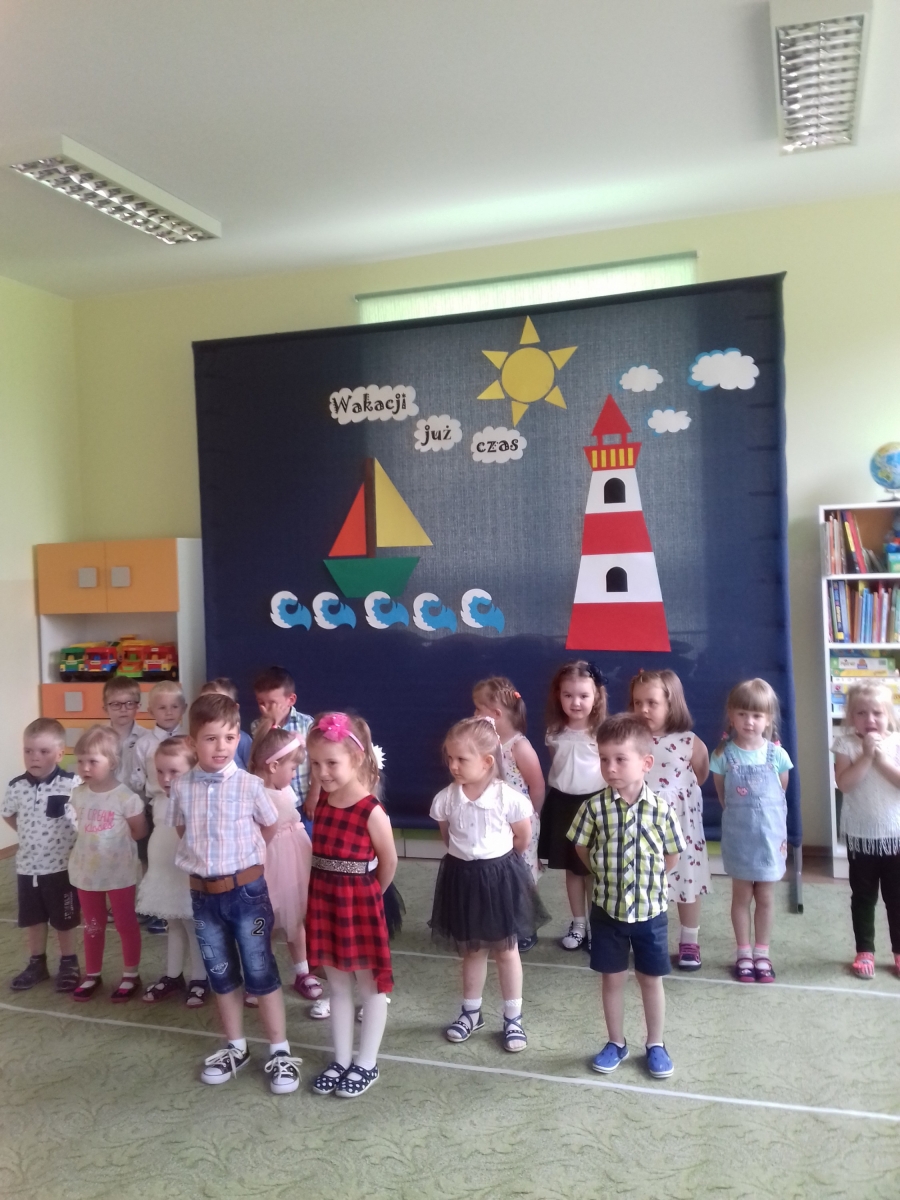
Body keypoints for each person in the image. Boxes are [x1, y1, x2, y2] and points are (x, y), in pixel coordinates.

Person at [167, 691, 302, 1094]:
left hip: (247, 895)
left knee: (260, 969)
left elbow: (269, 824)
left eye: (229, 737)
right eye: (210, 738)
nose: (221, 746)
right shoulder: (181, 787)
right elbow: (182, 829)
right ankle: (235, 1046)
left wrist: (246, 860)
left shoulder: (249, 785)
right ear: (193, 742)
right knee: (221, 972)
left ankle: (279, 1049)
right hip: (204, 898)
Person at [567, 712, 685, 1079]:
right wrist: (602, 872)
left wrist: (651, 880)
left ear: (646, 763)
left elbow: (671, 855)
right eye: (604, 759)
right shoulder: (594, 808)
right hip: (608, 911)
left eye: (620, 759)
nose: (610, 767)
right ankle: (616, 1042)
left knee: (651, 979)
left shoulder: (662, 810)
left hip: (651, 912)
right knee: (612, 979)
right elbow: (582, 848)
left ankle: (656, 1043)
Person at [430, 716, 548, 1054]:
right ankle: (471, 1011)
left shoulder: (508, 798)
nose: (453, 765)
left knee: (506, 949)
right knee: (472, 949)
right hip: (463, 878)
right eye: (450, 758)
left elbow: (522, 837)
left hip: (500, 877)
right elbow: (448, 837)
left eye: (461, 759)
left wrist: (498, 864)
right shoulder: (446, 799)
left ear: (486, 762)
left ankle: (513, 1016)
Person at [305, 712, 397, 1098]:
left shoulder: (371, 810)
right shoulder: (324, 804)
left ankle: (366, 1063)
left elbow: (388, 861)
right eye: (315, 764)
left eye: (331, 763)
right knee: (338, 986)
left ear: (356, 759)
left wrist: (369, 896)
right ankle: (342, 1059)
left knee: (370, 986)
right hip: (326, 903)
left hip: (359, 906)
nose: (322, 772)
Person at [710, 679, 792, 984]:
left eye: (757, 715)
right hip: (740, 839)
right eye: (742, 714)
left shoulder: (777, 756)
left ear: (768, 719)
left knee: (766, 896)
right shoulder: (723, 755)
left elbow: (780, 793)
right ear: (731, 716)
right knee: (742, 895)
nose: (749, 721)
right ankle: (743, 952)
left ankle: (762, 952)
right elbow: (723, 796)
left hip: (769, 840)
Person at [628, 669, 711, 971]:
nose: (643, 709)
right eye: (637, 703)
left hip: (680, 827)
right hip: (641, 825)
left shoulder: (689, 741)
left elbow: (700, 775)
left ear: (671, 704)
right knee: (643, 881)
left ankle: (689, 940)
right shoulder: (631, 739)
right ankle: (648, 938)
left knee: (685, 881)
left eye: (652, 703)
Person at [68, 725, 147, 1002]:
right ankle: (92, 973)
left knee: (125, 924)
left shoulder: (126, 798)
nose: (84, 767)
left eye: (93, 761)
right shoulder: (78, 794)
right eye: (80, 761)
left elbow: (139, 831)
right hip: (87, 874)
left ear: (112, 762)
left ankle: (130, 974)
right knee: (92, 925)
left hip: (118, 874)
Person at [2, 718, 81, 992]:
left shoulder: (72, 784)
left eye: (44, 751)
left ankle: (69, 962)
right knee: (33, 918)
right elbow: (8, 814)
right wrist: (27, 833)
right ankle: (37, 963)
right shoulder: (16, 786)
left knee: (64, 919)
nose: (34, 757)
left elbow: (83, 816)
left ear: (59, 754)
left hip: (61, 868)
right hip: (27, 868)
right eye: (28, 751)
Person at [247, 719, 320, 1001]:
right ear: (273, 766)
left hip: (294, 858)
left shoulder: (282, 789)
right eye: (292, 769)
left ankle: (303, 971)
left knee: (295, 919)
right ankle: (259, 978)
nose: (293, 775)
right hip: (269, 862)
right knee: (263, 924)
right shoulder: (255, 792)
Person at [473, 676, 545, 953]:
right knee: (500, 873)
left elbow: (537, 786)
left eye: (478, 709)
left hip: (520, 823)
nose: (474, 714)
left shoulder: (518, 746)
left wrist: (531, 817)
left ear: (496, 714)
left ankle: (527, 926)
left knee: (522, 875)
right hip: (494, 823)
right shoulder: (483, 744)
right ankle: (503, 922)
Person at [833, 682, 900, 979]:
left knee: (897, 897)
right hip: (861, 838)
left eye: (877, 713)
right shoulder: (845, 744)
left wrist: (880, 758)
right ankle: (865, 951)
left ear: (889, 715)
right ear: (851, 716)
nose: (870, 719)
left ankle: (898, 951)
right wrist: (866, 756)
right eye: (861, 713)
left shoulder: (896, 742)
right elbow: (844, 784)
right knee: (863, 896)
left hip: (895, 836)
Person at [539, 661, 607, 950]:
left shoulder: (602, 732)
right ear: (558, 695)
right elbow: (558, 765)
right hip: (563, 806)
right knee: (572, 869)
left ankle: (596, 926)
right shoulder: (554, 731)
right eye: (568, 695)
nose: (575, 702)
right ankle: (578, 923)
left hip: (595, 806)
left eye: (583, 695)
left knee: (594, 869)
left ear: (597, 697)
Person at [137, 737, 208, 1007]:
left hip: (184, 875)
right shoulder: (159, 799)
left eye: (174, 771)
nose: (166, 778)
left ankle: (200, 978)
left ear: (192, 769)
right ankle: (173, 974)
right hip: (164, 873)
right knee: (174, 924)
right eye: (160, 771)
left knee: (192, 926)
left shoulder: (194, 800)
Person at [135, 680, 188, 933]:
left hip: (185, 803)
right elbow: (137, 778)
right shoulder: (144, 744)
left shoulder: (189, 741)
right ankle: (160, 910)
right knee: (156, 856)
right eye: (162, 707)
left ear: (183, 708)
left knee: (181, 852)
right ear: (150, 711)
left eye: (174, 707)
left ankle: (183, 904)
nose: (168, 712)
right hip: (158, 805)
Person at [252, 667, 314, 816]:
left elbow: (317, 762)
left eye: (272, 703)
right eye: (261, 703)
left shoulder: (307, 723)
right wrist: (274, 722)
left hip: (303, 800)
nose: (265, 709)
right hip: (272, 802)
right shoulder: (257, 726)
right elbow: (262, 757)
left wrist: (314, 794)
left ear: (290, 700)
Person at [102, 675, 147, 797]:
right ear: (105, 708)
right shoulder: (97, 738)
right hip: (106, 801)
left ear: (138, 706)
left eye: (129, 703)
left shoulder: (147, 738)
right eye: (116, 704)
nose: (123, 709)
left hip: (139, 801)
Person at [199, 678, 252, 770]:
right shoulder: (198, 738)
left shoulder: (243, 740)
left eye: (222, 705)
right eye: (207, 705)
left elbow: (253, 768)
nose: (213, 711)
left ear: (235, 708)